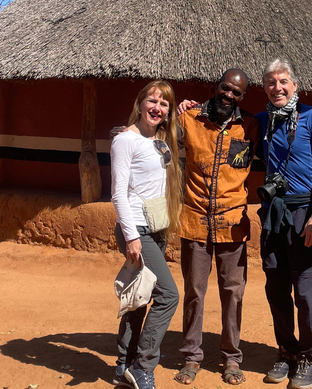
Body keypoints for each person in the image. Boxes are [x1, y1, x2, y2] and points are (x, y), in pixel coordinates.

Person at [174, 69, 261, 386]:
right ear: (216, 87)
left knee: (233, 293)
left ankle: (231, 358)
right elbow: (158, 137)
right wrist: (178, 108)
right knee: (194, 291)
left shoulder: (249, 126)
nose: (230, 95)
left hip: (232, 222)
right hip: (195, 219)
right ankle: (191, 356)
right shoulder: (190, 119)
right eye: (226, 88)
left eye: (236, 93)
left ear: (242, 97)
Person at [255, 59, 312, 389]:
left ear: (295, 85)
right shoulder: (261, 121)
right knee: (276, 288)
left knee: (307, 290)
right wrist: (190, 105)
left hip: (304, 215)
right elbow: (221, 119)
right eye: (271, 83)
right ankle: (286, 351)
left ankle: (308, 357)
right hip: (273, 215)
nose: (277, 88)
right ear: (265, 89)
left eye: (283, 81)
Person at [110, 81, 183, 389]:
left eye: (164, 104)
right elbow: (118, 194)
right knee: (168, 295)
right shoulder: (126, 140)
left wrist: (185, 110)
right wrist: (131, 237)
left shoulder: (161, 141)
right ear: (140, 103)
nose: (157, 108)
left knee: (139, 298)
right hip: (138, 230)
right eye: (152, 101)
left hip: (157, 226)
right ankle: (143, 366)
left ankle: (123, 365)